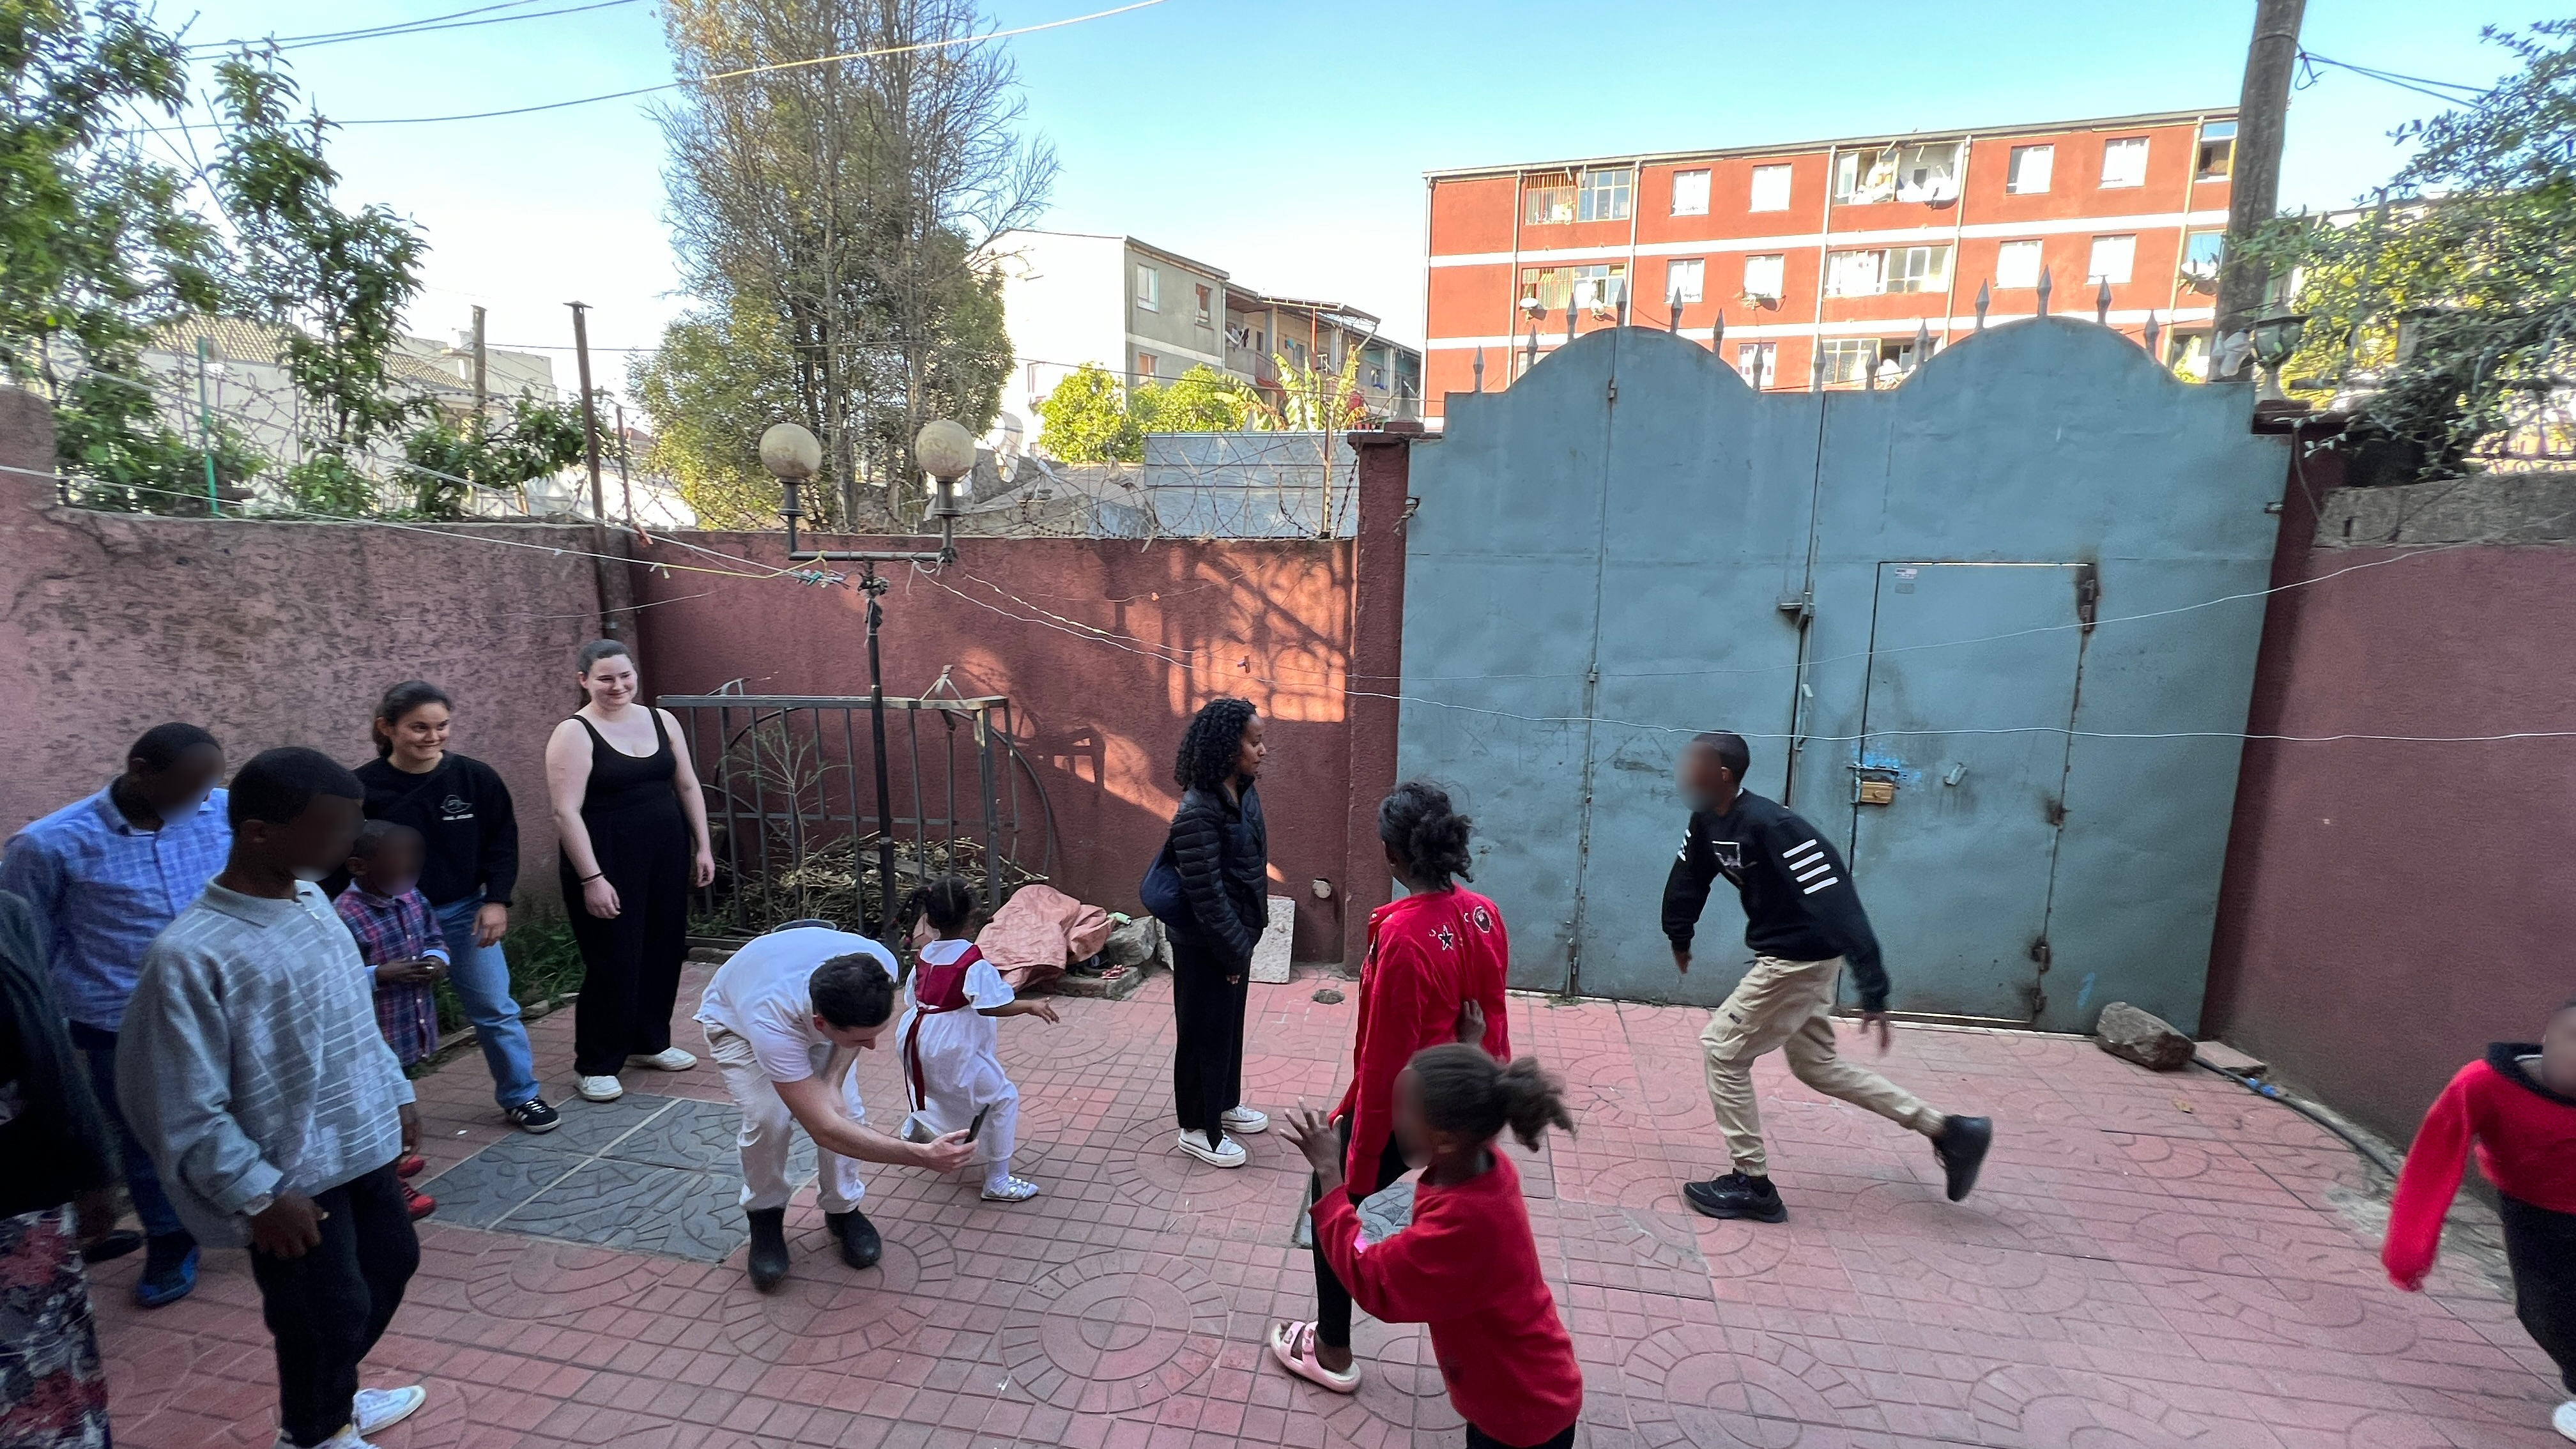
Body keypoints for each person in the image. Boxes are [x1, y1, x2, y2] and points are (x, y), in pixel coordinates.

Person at [116, 748, 428, 1449]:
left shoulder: (313, 901)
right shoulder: (190, 955)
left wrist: (395, 1089)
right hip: (283, 1175)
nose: (353, 846)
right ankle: (315, 1432)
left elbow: (352, 1014)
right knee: (323, 1309)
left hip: (357, 1142)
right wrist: (255, 1193)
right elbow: (177, 1102)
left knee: (388, 1266)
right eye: (336, 830)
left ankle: (333, 1399)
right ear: (260, 833)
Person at [1662, 731, 1991, 1222]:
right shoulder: (1707, 819)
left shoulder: (1776, 826)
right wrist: (1679, 934)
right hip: (1792, 959)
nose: (1684, 771)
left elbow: (1836, 902)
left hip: (1796, 961)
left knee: (1722, 1051)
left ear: (1723, 774)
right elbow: (1689, 875)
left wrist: (1873, 986)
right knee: (1817, 1067)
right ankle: (1950, 1130)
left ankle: (1752, 1183)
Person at [1269, 781, 1512, 1393]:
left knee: (1331, 1200)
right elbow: (1492, 1021)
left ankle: (1332, 1348)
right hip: (1468, 1098)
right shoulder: (1484, 914)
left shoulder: (1402, 938)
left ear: (1393, 856)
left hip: (1415, 1112)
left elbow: (1385, 1058)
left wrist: (1354, 1154)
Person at [0, 721, 229, 1307]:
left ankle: (252, 1211)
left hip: (220, 999)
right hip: (117, 1015)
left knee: (241, 1108)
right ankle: (170, 1239)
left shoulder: (220, 812)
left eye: (211, 784)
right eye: (190, 785)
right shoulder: (49, 844)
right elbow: (27, 944)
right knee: (145, 1135)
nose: (203, 798)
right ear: (141, 770)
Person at [1284, 1046, 1584, 1449]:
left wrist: (1330, 1174)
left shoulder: (1462, 1224)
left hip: (1519, 1412)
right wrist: (1470, 1049)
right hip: (1520, 1388)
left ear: (1443, 1140)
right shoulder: (1481, 1163)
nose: (1394, 1121)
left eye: (1404, 1112)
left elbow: (1372, 1277)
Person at [694, 924, 978, 1292]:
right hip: (737, 1025)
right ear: (820, 1024)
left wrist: (831, 1082)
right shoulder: (769, 1018)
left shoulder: (876, 967)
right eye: (864, 1039)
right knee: (770, 1118)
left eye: (878, 1032)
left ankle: (842, 1208)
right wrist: (920, 1156)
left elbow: (848, 1061)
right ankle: (764, 1214)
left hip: (809, 1007)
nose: (874, 1047)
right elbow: (822, 1128)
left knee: (846, 1111)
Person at [356, 680, 556, 1135]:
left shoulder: (475, 778)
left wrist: (497, 901)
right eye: (419, 728)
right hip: (392, 921)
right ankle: (388, 1112)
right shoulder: (362, 789)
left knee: (494, 1008)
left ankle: (521, 1095)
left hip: (465, 912)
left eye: (442, 726)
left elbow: (502, 843)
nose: (433, 737)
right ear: (387, 728)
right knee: (383, 1021)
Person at [2383, 1000, 2576, 1443]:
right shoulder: (2483, 1084)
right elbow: (2433, 1160)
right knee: (2548, 1312)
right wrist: (2408, 1250)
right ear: (2547, 1038)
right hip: (2536, 1212)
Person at [545, 640, 714, 1104]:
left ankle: (649, 1041)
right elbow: (566, 813)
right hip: (607, 858)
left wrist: (703, 846)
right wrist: (591, 878)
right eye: (605, 678)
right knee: (614, 956)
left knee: (663, 947)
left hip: (666, 853)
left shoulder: (663, 720)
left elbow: (686, 783)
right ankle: (596, 1063)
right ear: (584, 681)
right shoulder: (574, 732)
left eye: (624, 675)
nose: (617, 686)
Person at [0, 888, 119, 1448]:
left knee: (40, 1369)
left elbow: (45, 1045)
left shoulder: (7, 915)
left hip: (19, 1192)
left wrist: (94, 1168)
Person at [893, 875, 1060, 1203]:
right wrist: (1030, 1005)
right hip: (951, 1045)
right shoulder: (971, 960)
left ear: (931, 919)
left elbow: (913, 997)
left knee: (934, 1085)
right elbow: (990, 1005)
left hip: (913, 1035)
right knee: (1001, 1098)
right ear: (972, 919)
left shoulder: (925, 954)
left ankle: (922, 1126)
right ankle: (997, 1180)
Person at [1164, 696, 1271, 1169]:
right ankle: (1195, 1128)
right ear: (1229, 747)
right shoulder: (1197, 811)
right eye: (1254, 741)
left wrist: (1244, 944)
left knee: (1227, 1030)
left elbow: (1248, 872)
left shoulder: (1243, 793)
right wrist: (1231, 954)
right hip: (1204, 945)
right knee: (1201, 1033)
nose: (1262, 750)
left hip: (1234, 941)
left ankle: (1223, 1106)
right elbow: (1206, 895)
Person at [332, 821, 450, 1222]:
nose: (407, 873)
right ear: (359, 867)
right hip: (374, 1032)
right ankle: (388, 1183)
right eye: (395, 866)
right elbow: (335, 978)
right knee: (380, 1106)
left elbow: (435, 937)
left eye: (412, 865)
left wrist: (437, 960)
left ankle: (392, 1159)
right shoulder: (342, 915)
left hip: (410, 1024)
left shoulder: (413, 899)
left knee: (399, 1095)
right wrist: (380, 975)